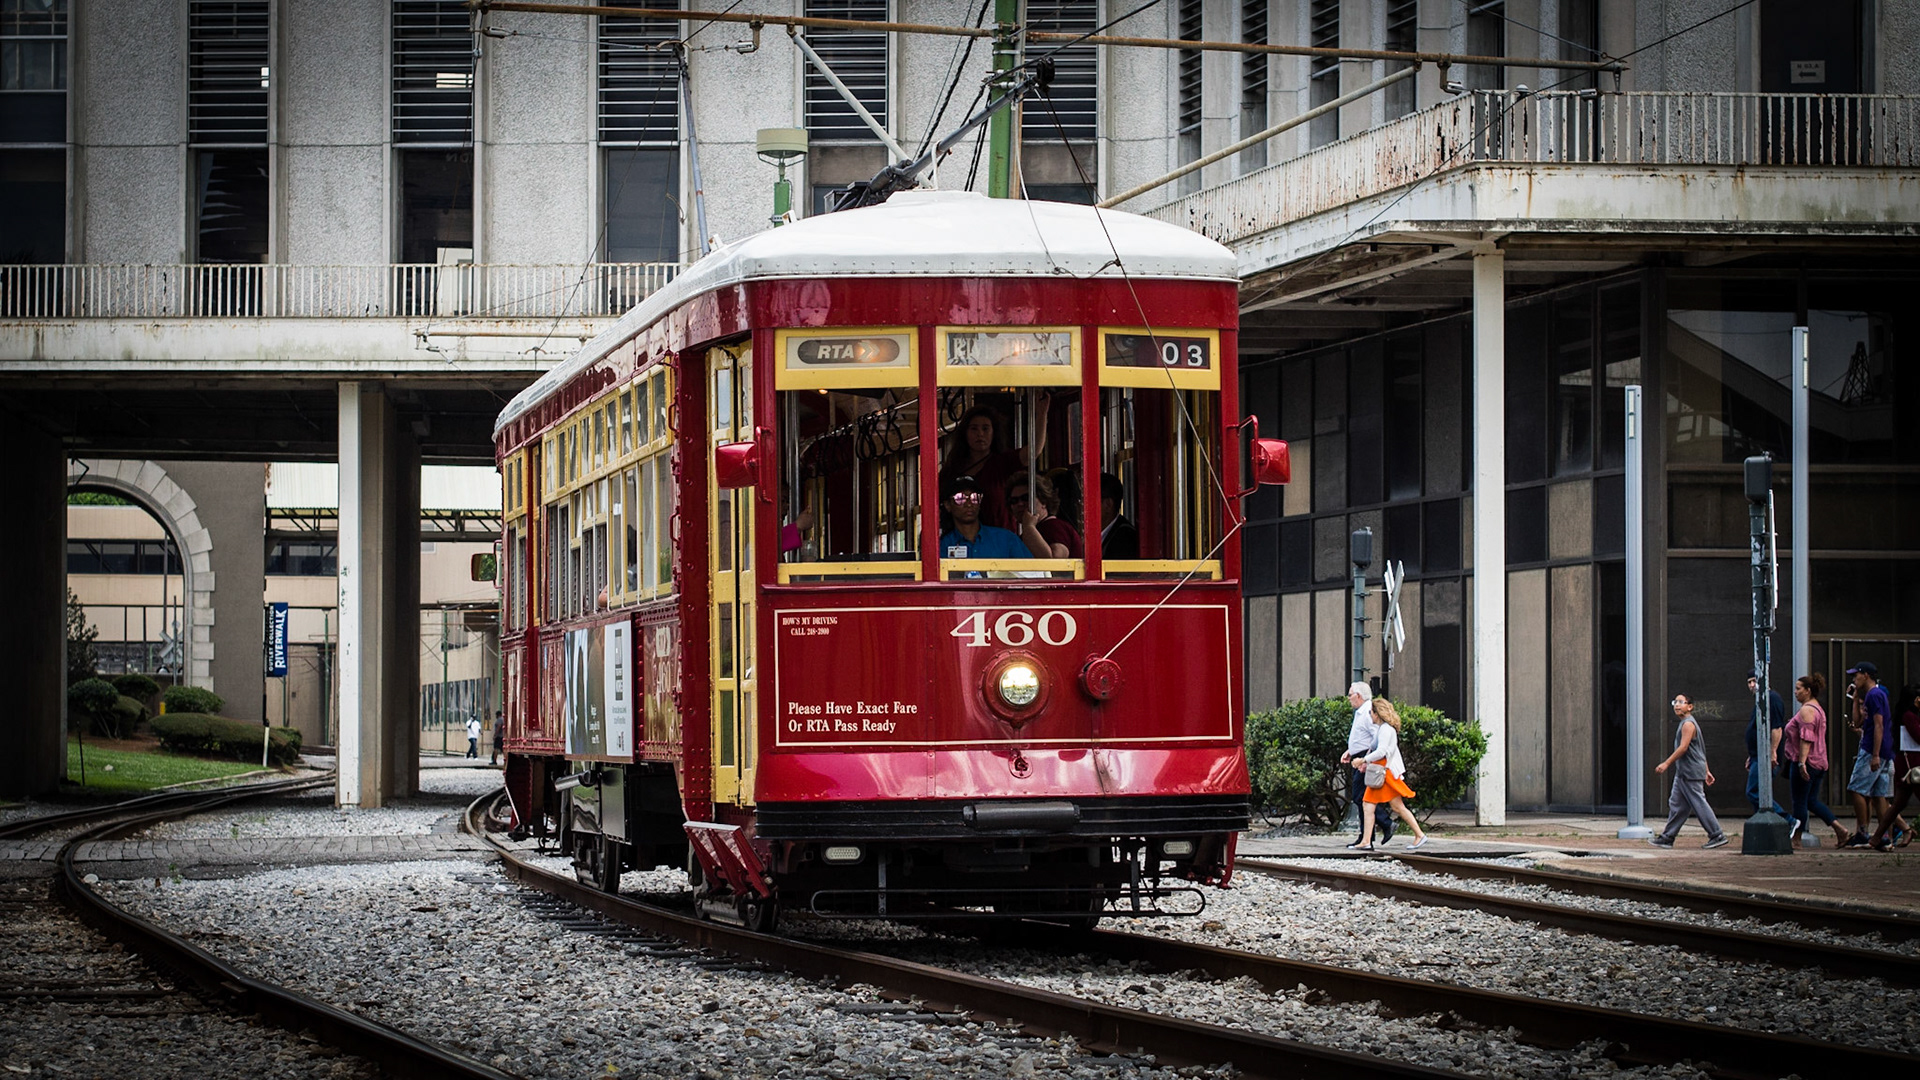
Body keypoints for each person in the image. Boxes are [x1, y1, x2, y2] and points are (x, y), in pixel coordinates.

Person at [939, 397, 1048, 531]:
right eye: (974, 429)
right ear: (965, 434)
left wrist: (1042, 414)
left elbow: (1033, 451)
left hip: (999, 540)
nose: (980, 434)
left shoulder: (1002, 463)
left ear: (993, 433)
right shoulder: (952, 469)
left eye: (985, 429)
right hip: (960, 542)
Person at [1650, 692, 1729, 849]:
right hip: (1685, 772)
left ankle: (1717, 834)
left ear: (1690, 706)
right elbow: (1700, 750)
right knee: (1677, 804)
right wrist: (1706, 771)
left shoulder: (1688, 724)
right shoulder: (1686, 723)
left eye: (1681, 702)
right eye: (1675, 702)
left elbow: (1684, 748)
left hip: (1689, 772)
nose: (1677, 705)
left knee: (1698, 802)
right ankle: (1667, 837)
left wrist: (1666, 763)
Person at [1351, 698, 1428, 851]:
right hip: (1382, 772)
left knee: (1391, 806)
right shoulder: (1383, 729)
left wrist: (1363, 760)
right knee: (1372, 804)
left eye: (1371, 712)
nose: (1370, 715)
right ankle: (1367, 840)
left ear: (1377, 714)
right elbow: (1375, 749)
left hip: (1385, 773)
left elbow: (1382, 751)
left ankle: (1419, 835)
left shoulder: (1386, 730)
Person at [1784, 673, 1849, 847]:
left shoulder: (1807, 710)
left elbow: (1807, 738)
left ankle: (1796, 838)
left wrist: (1801, 762)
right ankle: (1839, 829)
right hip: (1820, 761)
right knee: (1811, 801)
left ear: (1808, 690)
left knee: (1799, 801)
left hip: (1807, 762)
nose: (1795, 692)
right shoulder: (1817, 709)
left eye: (1798, 689)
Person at [1843, 661, 1901, 847]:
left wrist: (1875, 754)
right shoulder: (1869, 696)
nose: (1854, 679)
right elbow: (1858, 722)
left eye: (1856, 675)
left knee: (1856, 788)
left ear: (1865, 675)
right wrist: (1854, 699)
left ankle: (1863, 832)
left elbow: (1878, 725)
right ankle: (1885, 837)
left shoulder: (1875, 695)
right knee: (1878, 795)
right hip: (1883, 750)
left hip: (1872, 749)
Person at [937, 474, 1051, 560]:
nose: (968, 503)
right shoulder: (941, 545)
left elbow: (1031, 574)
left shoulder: (1007, 539)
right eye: (959, 498)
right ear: (948, 505)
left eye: (974, 497)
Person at [1339, 681, 1394, 848]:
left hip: (1366, 758)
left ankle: (1383, 825)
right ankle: (1367, 837)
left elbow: (1376, 738)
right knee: (1363, 798)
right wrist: (1350, 750)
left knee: (1361, 797)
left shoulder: (1369, 712)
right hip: (1360, 756)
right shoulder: (1360, 712)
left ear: (1359, 696)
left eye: (1350, 695)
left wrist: (1366, 760)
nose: (1348, 698)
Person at [1868, 683, 1920, 850]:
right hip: (1911, 766)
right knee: (1897, 802)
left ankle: (1876, 837)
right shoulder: (1909, 716)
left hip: (1909, 765)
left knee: (1898, 803)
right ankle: (1878, 837)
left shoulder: (1908, 715)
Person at [1744, 669, 1789, 817]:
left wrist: (1773, 752)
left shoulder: (1771, 698)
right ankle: (1763, 825)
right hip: (1758, 755)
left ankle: (1786, 820)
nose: (1752, 685)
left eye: (1754, 681)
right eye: (1749, 682)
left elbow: (1777, 728)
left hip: (1765, 756)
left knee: (1754, 792)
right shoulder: (1760, 700)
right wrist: (1752, 755)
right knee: (1758, 792)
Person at [1006, 473, 1084, 558]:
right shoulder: (1030, 533)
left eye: (1026, 498)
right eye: (1013, 501)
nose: (1019, 504)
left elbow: (1055, 561)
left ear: (1044, 501)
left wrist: (1029, 526)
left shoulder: (1054, 526)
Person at [1098, 472, 1139, 560]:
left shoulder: (1125, 539)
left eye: (1089, 501)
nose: (1083, 508)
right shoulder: (1102, 533)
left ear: (1108, 504)